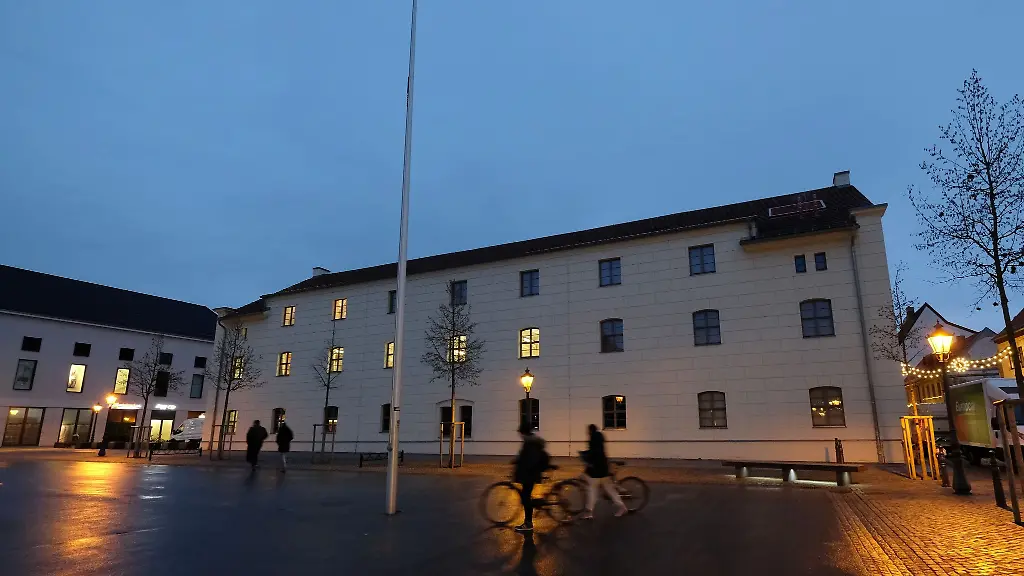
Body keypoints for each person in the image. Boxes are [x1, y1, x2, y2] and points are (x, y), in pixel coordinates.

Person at [580, 424, 626, 519]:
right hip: (604, 469)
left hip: (597, 471)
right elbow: (597, 453)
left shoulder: (593, 440)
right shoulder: (600, 439)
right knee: (610, 490)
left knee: (592, 490)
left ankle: (589, 512)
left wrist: (585, 459)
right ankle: (622, 507)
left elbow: (593, 455)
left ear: (590, 431)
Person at [512, 422, 552, 533]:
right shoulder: (530, 441)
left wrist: (521, 468)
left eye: (520, 432)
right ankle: (533, 508)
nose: (520, 435)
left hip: (530, 475)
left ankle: (528, 523)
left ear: (523, 432)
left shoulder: (530, 443)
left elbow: (530, 461)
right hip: (530, 475)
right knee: (526, 497)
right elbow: (525, 458)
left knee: (526, 498)